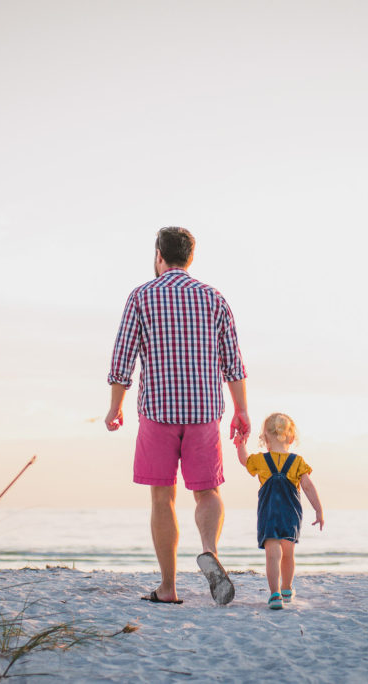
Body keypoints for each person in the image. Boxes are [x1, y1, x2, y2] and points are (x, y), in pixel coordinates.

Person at [105, 227, 250, 605]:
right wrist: (242, 410)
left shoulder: (142, 296)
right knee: (207, 492)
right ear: (190, 258)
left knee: (162, 497)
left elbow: (122, 360)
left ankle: (168, 588)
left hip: (158, 412)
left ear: (158, 255)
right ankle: (209, 550)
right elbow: (233, 363)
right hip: (203, 412)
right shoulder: (213, 298)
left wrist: (115, 407)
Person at [234, 412, 323, 610]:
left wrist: (240, 444)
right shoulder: (298, 462)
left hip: (269, 514)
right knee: (288, 553)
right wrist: (318, 510)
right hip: (291, 514)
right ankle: (287, 589)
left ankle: (275, 594)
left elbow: (244, 460)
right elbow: (308, 487)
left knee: (272, 554)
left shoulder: (260, 460)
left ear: (265, 439)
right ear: (291, 438)